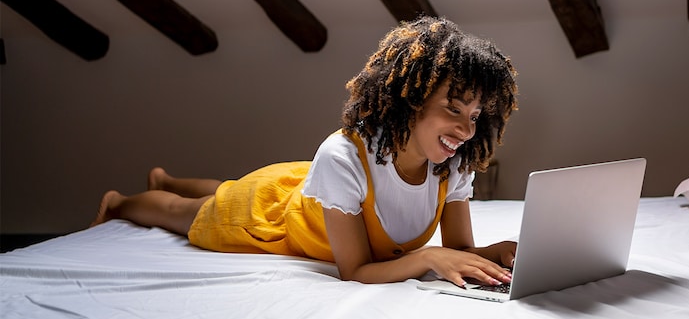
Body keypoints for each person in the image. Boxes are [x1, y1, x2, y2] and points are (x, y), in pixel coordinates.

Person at [91, 16, 519, 288]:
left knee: (223, 187)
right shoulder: (343, 158)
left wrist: (498, 252)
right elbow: (355, 272)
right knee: (185, 212)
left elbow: (459, 248)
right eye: (453, 108)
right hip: (271, 216)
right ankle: (119, 204)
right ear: (411, 101)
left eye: (477, 115)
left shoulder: (453, 166)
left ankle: (164, 177)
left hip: (310, 191)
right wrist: (424, 257)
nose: (467, 129)